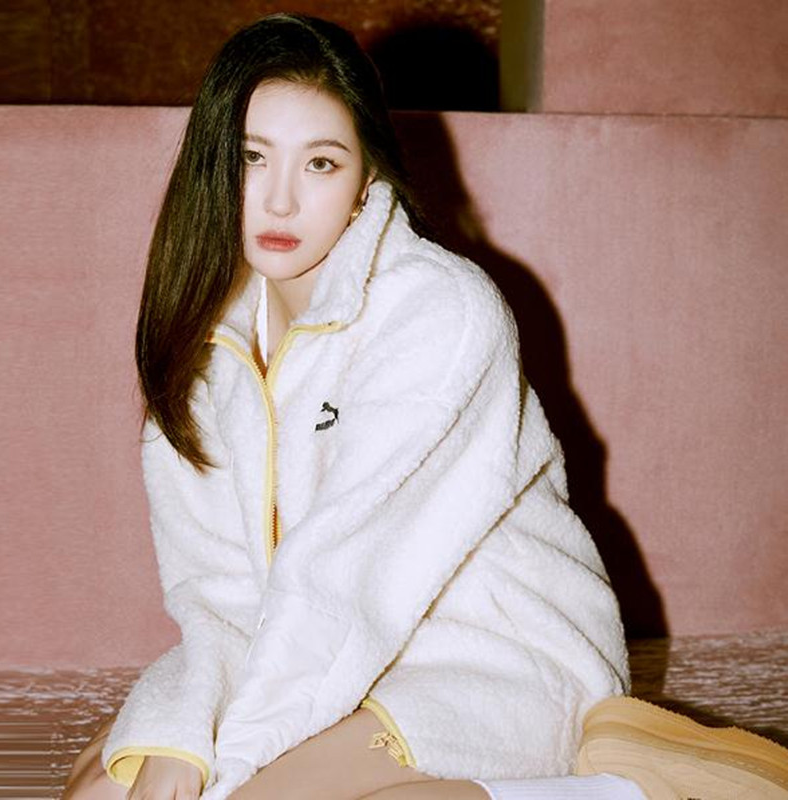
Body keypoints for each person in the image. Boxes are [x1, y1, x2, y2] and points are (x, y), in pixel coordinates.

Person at [61, 13, 788, 800]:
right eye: (251, 157)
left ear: (365, 177)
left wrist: (231, 766)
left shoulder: (441, 311)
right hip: (324, 647)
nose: (280, 199)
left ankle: (626, 787)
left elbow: (346, 579)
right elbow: (218, 595)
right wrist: (182, 736)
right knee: (105, 786)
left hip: (494, 650)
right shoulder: (204, 348)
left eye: (320, 163)